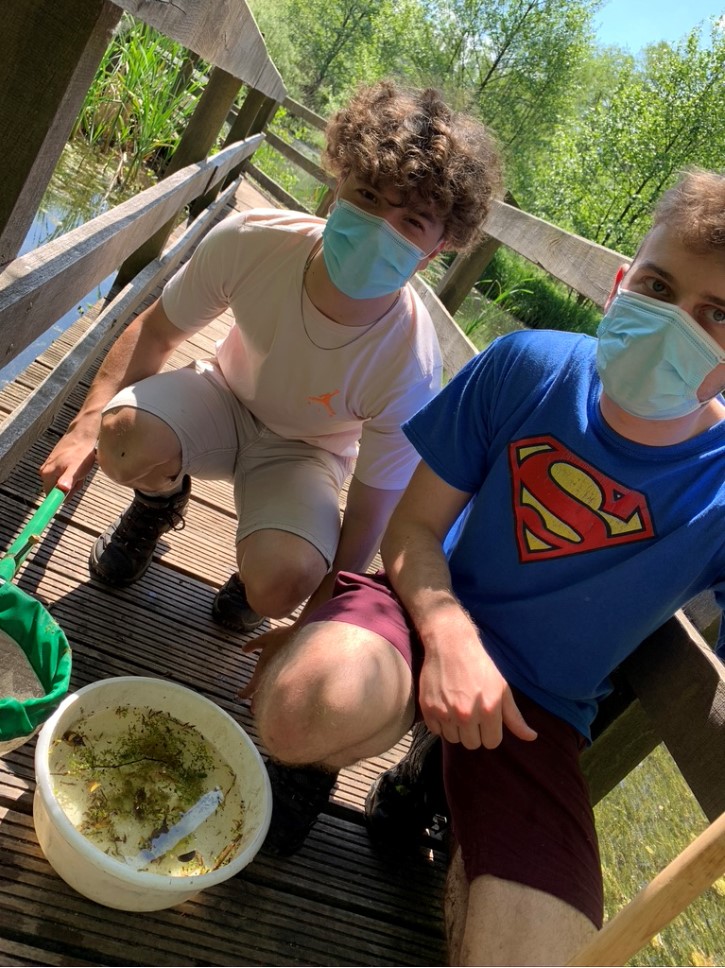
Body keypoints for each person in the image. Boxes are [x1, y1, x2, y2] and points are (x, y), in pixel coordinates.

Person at [244, 168, 725, 964]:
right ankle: (311, 765)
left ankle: (425, 782)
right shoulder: (527, 365)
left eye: (716, 314)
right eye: (658, 285)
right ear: (620, 282)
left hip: (538, 712)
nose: (675, 322)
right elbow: (412, 529)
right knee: (303, 708)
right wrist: (449, 636)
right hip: (418, 610)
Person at [40, 81, 502, 641]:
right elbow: (157, 331)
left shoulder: (412, 364)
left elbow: (368, 513)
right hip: (221, 393)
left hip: (308, 452)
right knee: (120, 436)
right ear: (337, 185)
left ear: (435, 250)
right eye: (368, 195)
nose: (380, 227)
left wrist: (314, 622)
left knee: (284, 580)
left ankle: (255, 573)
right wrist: (85, 426)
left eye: (412, 221)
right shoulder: (253, 240)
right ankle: (159, 502)